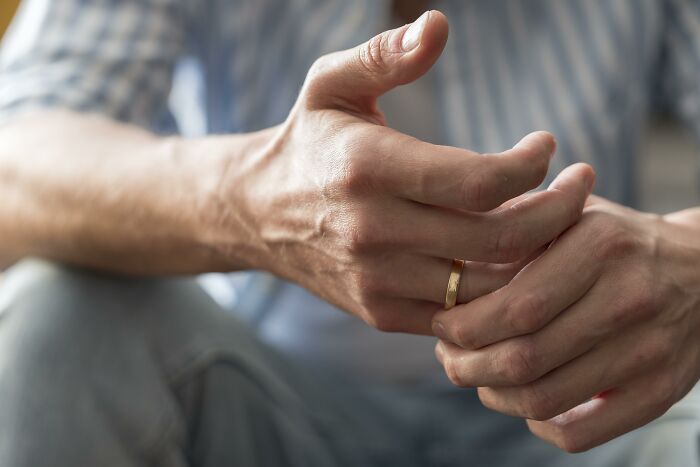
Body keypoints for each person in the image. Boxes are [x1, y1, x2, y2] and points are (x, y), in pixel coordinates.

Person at [0, 1, 698, 466]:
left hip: (601, 414)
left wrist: (688, 262)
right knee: (54, 319)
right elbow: (15, 161)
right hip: (270, 402)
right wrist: (251, 196)